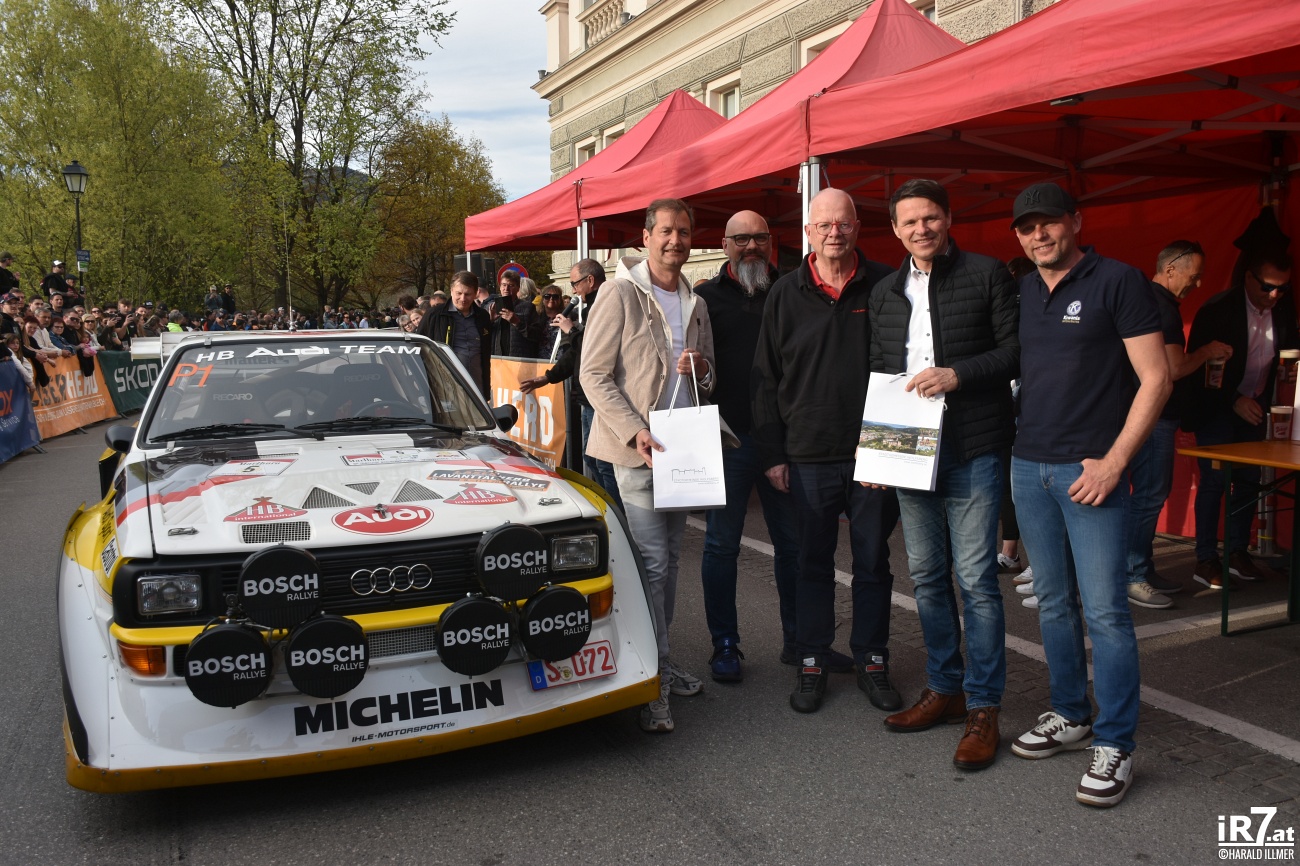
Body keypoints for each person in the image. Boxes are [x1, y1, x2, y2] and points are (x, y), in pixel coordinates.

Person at [1007, 183, 1171, 808]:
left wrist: (1115, 463)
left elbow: (1156, 379)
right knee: (1053, 603)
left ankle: (1117, 743)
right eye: (1028, 227)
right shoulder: (1024, 290)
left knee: (1105, 614)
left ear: (1075, 221)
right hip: (1030, 468)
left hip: (1091, 474)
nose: (1039, 235)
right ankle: (1071, 714)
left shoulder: (1119, 281)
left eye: (1049, 222)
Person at [868, 179, 1018, 770]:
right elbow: (879, 372)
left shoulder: (987, 274)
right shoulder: (885, 292)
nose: (921, 229)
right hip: (909, 451)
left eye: (930, 217)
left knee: (977, 580)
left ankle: (983, 707)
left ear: (948, 219)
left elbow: (1015, 351)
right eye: (909, 222)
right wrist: (877, 453)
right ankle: (945, 688)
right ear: (896, 230)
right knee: (928, 577)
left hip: (972, 446)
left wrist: (958, 374)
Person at [580, 198, 726, 733]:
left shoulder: (695, 301)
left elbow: (710, 380)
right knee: (654, 564)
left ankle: (659, 660)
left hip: (683, 450)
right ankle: (652, 675)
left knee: (671, 563)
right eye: (666, 231)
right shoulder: (619, 292)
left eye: (684, 232)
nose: (675, 241)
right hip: (638, 449)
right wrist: (634, 430)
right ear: (646, 237)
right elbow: (593, 375)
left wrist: (702, 367)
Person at [752, 188, 899, 715]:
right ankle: (811, 658)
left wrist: (896, 450)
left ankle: (872, 659)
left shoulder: (887, 284)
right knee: (811, 562)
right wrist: (773, 454)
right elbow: (766, 379)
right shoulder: (784, 293)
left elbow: (906, 366)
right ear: (808, 232)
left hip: (875, 452)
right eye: (824, 225)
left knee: (873, 562)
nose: (834, 233)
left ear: (857, 226)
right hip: (807, 453)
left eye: (843, 223)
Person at [693, 210, 807, 683]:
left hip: (784, 441)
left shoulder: (793, 289)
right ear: (725, 245)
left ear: (771, 240)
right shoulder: (703, 298)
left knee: (793, 547)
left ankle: (800, 642)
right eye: (741, 239)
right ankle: (725, 644)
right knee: (721, 546)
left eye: (760, 237)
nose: (751, 246)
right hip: (728, 440)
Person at [1123, 242, 1231, 608]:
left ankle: (1142, 568)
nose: (1197, 284)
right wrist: (1205, 352)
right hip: (1153, 415)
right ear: (1170, 270)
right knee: (1149, 495)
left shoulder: (1145, 299)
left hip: (1140, 413)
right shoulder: (1162, 308)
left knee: (1145, 495)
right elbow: (1172, 368)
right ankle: (1133, 574)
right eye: (1194, 276)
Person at [1184, 248, 1296, 589]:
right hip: (1218, 407)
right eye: (1267, 287)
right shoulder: (1219, 309)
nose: (1274, 295)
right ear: (1248, 277)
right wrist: (1234, 400)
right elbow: (1198, 366)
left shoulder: (1283, 309)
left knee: (1250, 480)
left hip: (1256, 403)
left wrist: (1288, 371)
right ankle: (1206, 558)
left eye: (1281, 288)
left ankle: (1237, 552)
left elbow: (1287, 351)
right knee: (1215, 480)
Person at [520, 259, 622, 509]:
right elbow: (576, 354)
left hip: (600, 394)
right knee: (591, 457)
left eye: (575, 283)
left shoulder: (605, 305)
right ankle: (610, 507)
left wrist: (571, 330)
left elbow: (592, 348)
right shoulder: (588, 308)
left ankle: (618, 511)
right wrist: (548, 377)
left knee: (602, 460)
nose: (573, 289)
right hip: (586, 394)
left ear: (590, 280)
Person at [418, 271, 493, 399]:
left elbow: (485, 353)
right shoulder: (435, 315)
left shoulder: (483, 317)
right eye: (459, 293)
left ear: (476, 293)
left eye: (467, 294)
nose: (463, 299)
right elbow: (418, 346)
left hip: (476, 388)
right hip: (445, 389)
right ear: (451, 291)